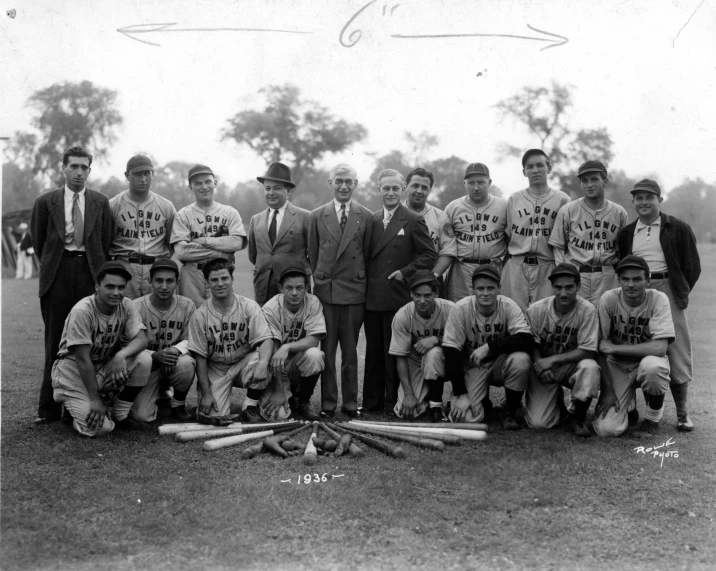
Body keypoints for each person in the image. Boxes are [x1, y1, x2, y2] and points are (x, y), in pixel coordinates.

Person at [31, 146, 113, 424]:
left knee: (87, 341)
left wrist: (96, 274)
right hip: (58, 272)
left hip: (91, 274)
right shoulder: (46, 201)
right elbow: (38, 241)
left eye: (84, 167)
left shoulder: (100, 202)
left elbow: (106, 242)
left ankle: (79, 403)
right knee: (55, 339)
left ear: (90, 170)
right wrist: (56, 266)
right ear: (63, 168)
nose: (79, 172)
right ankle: (48, 409)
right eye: (74, 166)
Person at [618, 179, 701, 431]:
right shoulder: (627, 232)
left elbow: (692, 266)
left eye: (649, 197)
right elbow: (622, 264)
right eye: (639, 198)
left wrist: (679, 291)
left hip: (667, 288)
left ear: (659, 200)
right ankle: (631, 409)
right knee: (634, 343)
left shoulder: (676, 227)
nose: (643, 202)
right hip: (637, 291)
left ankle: (683, 413)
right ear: (633, 202)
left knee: (676, 350)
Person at [363, 169, 437, 413]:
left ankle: (391, 401)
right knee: (373, 350)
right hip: (372, 296)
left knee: (395, 351)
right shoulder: (371, 220)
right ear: (378, 190)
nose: (391, 192)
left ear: (403, 189)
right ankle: (372, 403)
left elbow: (429, 254)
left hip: (397, 294)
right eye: (386, 188)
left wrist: (405, 273)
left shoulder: (413, 219)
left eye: (396, 188)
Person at [50, 262, 152, 436]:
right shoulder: (82, 311)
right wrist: (96, 399)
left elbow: (142, 340)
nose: (116, 293)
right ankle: (72, 401)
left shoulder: (126, 304)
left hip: (100, 366)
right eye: (110, 287)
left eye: (121, 287)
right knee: (101, 428)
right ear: (97, 287)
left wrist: (122, 355)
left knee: (144, 359)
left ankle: (119, 413)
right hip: (72, 371)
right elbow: (82, 359)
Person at [307, 163, 373, 418]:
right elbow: (313, 253)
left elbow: (366, 253)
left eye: (349, 181)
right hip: (327, 291)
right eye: (339, 181)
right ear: (330, 183)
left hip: (354, 291)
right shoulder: (316, 215)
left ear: (356, 184)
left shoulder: (365, 216)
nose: (343, 186)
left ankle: (349, 404)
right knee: (327, 350)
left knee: (350, 350)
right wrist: (322, 278)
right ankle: (328, 404)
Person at [187, 258, 279, 424]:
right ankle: (205, 400)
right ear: (207, 283)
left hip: (244, 362)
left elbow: (266, 339)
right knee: (214, 417)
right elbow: (199, 357)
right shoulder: (200, 316)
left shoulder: (249, 307)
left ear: (232, 279)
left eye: (224, 278)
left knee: (263, 358)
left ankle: (250, 406)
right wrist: (207, 394)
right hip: (215, 368)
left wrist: (263, 364)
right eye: (214, 280)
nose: (220, 283)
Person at [592, 255, 675, 438]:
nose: (631, 284)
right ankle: (629, 408)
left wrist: (614, 348)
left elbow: (659, 348)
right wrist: (607, 391)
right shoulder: (609, 299)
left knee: (653, 367)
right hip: (617, 366)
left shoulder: (658, 299)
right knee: (607, 430)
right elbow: (599, 347)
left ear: (648, 280)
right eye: (626, 279)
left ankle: (653, 419)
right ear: (619, 280)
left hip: (645, 362)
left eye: (637, 279)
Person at [442, 265, 533, 429]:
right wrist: (460, 393)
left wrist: (489, 347)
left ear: (499, 288)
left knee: (521, 360)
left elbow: (526, 339)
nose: (485, 293)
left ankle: (510, 412)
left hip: (500, 363)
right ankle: (482, 403)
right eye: (480, 288)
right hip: (473, 366)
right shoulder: (461, 308)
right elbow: (451, 351)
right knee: (467, 419)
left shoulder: (508, 306)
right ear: (473, 289)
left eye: (490, 288)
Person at [523, 264, 600, 436]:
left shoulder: (587, 310)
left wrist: (552, 361)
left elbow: (589, 350)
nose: (563, 293)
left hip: (571, 365)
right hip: (544, 366)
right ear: (552, 287)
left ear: (578, 286)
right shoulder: (537, 309)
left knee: (590, 367)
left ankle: (579, 416)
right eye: (558, 287)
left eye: (569, 287)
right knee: (539, 423)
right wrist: (539, 364)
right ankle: (557, 403)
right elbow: (530, 343)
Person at [548, 160, 628, 305]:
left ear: (605, 181)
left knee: (606, 321)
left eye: (594, 179)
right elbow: (558, 246)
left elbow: (623, 249)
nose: (589, 184)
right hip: (577, 274)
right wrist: (565, 273)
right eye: (584, 181)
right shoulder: (568, 210)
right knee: (576, 319)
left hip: (607, 275)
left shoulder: (619, 212)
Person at [501, 150, 570, 312]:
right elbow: (509, 233)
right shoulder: (514, 199)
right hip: (517, 265)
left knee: (546, 314)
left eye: (540, 165)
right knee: (513, 314)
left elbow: (565, 238)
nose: (535, 170)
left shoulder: (562, 199)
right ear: (524, 172)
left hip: (547, 266)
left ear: (549, 168)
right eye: (530, 167)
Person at [171, 165, 247, 307]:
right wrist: (221, 251)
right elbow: (181, 252)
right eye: (198, 183)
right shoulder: (182, 215)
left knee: (222, 320)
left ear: (215, 183)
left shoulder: (230, 212)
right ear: (190, 187)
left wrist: (204, 241)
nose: (204, 187)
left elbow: (237, 243)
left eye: (207, 182)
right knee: (191, 319)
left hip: (221, 274)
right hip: (192, 276)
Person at [131, 258, 197, 423]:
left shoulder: (187, 305)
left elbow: (192, 338)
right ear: (150, 282)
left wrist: (174, 350)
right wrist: (154, 355)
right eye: (159, 281)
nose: (164, 286)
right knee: (141, 416)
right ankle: (158, 393)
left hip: (173, 362)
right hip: (148, 366)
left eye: (170, 281)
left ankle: (178, 405)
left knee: (187, 363)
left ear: (177, 282)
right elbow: (128, 343)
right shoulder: (135, 306)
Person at [389, 270, 456, 422]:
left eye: (427, 295)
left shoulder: (451, 309)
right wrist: (408, 394)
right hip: (416, 361)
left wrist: (436, 340)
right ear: (411, 294)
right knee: (405, 412)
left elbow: (462, 344)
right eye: (417, 295)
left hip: (448, 360)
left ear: (436, 293)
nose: (422, 300)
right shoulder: (402, 316)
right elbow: (400, 357)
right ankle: (424, 398)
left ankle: (437, 404)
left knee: (434, 353)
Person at [261, 267, 326, 421]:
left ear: (306, 288)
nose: (295, 293)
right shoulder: (270, 308)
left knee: (315, 355)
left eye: (299, 288)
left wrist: (287, 346)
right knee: (277, 416)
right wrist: (279, 391)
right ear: (280, 288)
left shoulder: (312, 302)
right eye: (289, 288)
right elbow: (273, 351)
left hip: (296, 360)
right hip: (275, 364)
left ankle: (303, 401)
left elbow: (314, 339)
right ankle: (281, 394)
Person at [108, 155, 177, 299]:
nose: (143, 179)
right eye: (138, 174)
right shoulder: (113, 205)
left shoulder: (166, 206)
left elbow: (172, 242)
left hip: (156, 268)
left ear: (152, 174)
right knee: (124, 315)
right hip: (125, 267)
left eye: (147, 173)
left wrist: (159, 259)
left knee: (156, 316)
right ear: (127, 175)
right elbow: (105, 242)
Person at [248, 162, 311, 305]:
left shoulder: (306, 217)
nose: (271, 192)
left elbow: (314, 254)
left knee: (295, 327)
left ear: (288, 191)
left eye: (277, 188)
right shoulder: (255, 220)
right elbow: (253, 256)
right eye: (267, 188)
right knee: (264, 327)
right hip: (263, 290)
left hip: (294, 292)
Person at [443, 163, 508, 302]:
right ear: (464, 183)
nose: (476, 187)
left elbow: (512, 240)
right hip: (461, 268)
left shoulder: (504, 206)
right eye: (471, 183)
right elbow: (445, 242)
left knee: (493, 309)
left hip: (492, 267)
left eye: (481, 182)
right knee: (459, 309)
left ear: (489, 182)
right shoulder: (453, 207)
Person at [402, 167, 455, 291]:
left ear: (430, 190)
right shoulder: (394, 214)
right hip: (400, 279)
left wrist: (433, 276)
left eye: (424, 187)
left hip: (431, 281)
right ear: (406, 186)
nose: (419, 191)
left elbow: (448, 251)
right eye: (415, 185)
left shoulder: (441, 216)